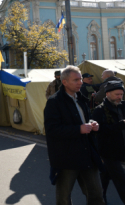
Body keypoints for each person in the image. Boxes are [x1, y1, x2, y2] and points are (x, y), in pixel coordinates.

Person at [44, 65, 104, 205]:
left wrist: (92, 123)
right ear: (64, 82)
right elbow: (52, 130)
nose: (80, 82)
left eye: (80, 79)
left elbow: (82, 120)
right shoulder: (54, 102)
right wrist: (79, 129)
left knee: (96, 195)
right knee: (64, 199)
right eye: (76, 80)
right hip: (66, 157)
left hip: (87, 154)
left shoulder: (81, 99)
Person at [92, 80, 125, 204]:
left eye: (121, 94)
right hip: (108, 152)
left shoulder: (122, 106)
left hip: (120, 150)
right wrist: (120, 125)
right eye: (117, 94)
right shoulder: (99, 110)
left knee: (105, 177)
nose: (119, 97)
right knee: (121, 180)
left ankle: (100, 199)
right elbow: (98, 131)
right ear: (107, 94)